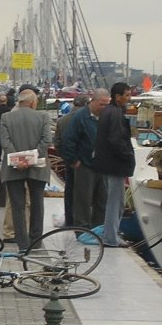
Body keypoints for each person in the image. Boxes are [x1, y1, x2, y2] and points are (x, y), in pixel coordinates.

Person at [0, 89, 52, 251]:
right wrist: (31, 159)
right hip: (38, 167)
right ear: (33, 102)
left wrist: (18, 160)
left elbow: (5, 143)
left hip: (13, 167)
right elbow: (46, 141)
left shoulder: (6, 117)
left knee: (17, 205)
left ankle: (22, 244)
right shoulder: (43, 117)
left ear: (19, 102)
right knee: (37, 203)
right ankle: (36, 242)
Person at [61, 89, 109, 230]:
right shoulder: (80, 117)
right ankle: (82, 229)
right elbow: (68, 140)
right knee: (83, 199)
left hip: (102, 165)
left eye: (107, 105)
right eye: (102, 104)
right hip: (85, 165)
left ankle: (99, 228)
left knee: (102, 199)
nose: (105, 108)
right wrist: (73, 161)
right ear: (92, 101)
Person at [93, 82, 134, 248]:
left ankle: (111, 234)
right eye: (127, 95)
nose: (129, 98)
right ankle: (111, 237)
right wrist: (128, 155)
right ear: (117, 97)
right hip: (115, 163)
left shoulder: (107, 112)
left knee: (116, 200)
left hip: (107, 163)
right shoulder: (115, 113)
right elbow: (116, 139)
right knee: (115, 201)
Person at [54, 94, 90, 226]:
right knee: (85, 193)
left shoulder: (62, 120)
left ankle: (69, 220)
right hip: (86, 162)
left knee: (69, 191)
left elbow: (57, 143)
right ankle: (83, 222)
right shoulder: (88, 119)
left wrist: (66, 157)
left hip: (69, 161)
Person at [0, 92, 9, 165]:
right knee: (7, 146)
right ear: (6, 101)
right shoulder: (9, 110)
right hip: (7, 131)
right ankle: (6, 161)